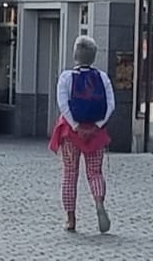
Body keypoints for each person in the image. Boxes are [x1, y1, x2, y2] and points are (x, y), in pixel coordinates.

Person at [52, 35, 116, 234]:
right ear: (94, 56)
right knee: (95, 172)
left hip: (71, 133)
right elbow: (111, 105)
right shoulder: (102, 77)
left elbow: (63, 104)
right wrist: (97, 125)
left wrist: (75, 125)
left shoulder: (66, 77)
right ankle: (99, 202)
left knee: (70, 174)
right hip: (96, 133)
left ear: (75, 54)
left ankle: (71, 218)